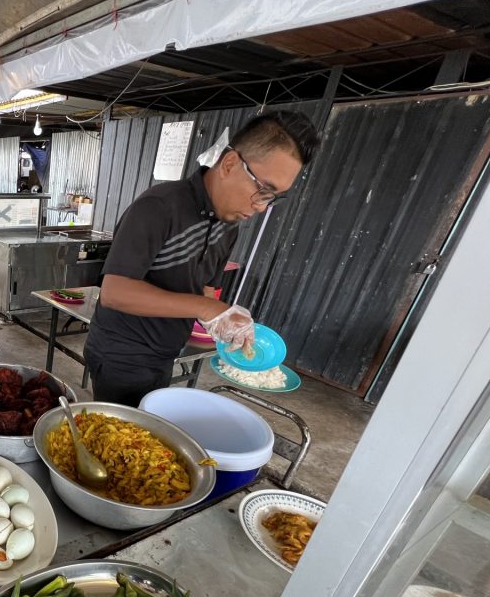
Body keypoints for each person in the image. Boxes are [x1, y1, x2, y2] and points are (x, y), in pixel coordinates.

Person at [83, 112, 320, 407]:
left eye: (274, 198)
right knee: (120, 444)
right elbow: (114, 293)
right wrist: (208, 308)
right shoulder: (159, 207)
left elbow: (205, 287)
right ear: (230, 164)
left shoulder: (228, 225)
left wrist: (225, 321)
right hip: (121, 355)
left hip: (165, 353)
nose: (261, 207)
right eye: (264, 190)